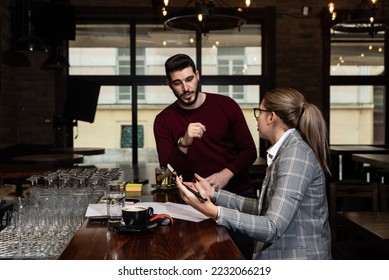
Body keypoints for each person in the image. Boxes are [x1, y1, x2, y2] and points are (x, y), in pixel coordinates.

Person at [176, 87, 332, 260]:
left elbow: (272, 227)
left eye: (259, 112)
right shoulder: (287, 150)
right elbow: (263, 208)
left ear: (271, 117)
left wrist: (215, 212)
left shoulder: (295, 155)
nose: (257, 118)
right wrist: (213, 194)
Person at [153, 53, 257, 193]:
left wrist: (225, 175)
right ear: (170, 85)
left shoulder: (226, 105)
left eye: (189, 79)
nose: (186, 88)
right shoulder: (163, 120)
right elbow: (167, 174)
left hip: (237, 191)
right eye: (178, 83)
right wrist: (184, 143)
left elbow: (249, 150)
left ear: (197, 75)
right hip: (195, 197)